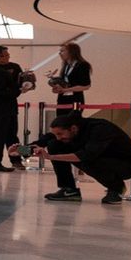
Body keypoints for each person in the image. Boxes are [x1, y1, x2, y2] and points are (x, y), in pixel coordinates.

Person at [35, 112, 131, 204]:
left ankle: (116, 189)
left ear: (73, 128)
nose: (58, 137)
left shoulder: (99, 129)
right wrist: (29, 147)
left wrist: (50, 157)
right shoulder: (72, 127)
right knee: (54, 144)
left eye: (60, 134)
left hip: (126, 164)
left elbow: (86, 155)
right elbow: (49, 137)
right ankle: (69, 189)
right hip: (101, 157)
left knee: (87, 160)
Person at [43, 42, 94, 197]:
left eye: (63, 50)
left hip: (75, 102)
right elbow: (65, 84)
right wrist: (58, 88)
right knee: (59, 134)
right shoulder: (65, 66)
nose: (60, 53)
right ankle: (67, 182)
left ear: (71, 51)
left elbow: (85, 85)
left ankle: (77, 164)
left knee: (70, 132)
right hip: (63, 101)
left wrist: (67, 89)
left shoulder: (82, 65)